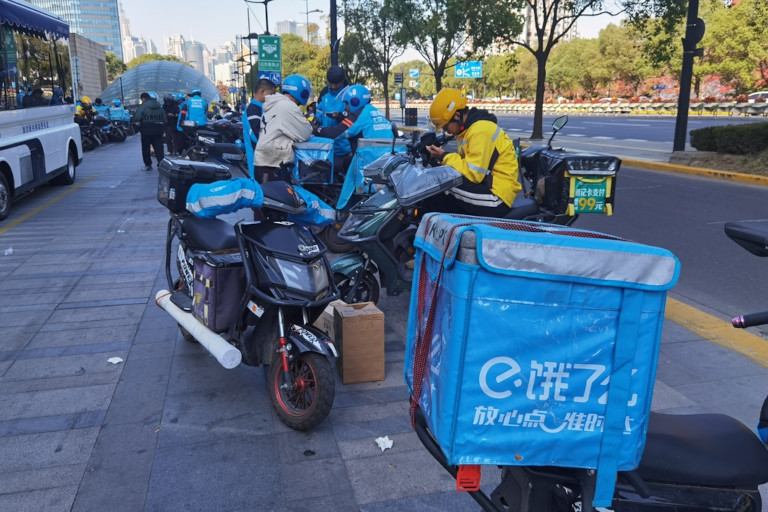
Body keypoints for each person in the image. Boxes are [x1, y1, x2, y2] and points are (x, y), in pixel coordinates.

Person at [424, 87, 521, 217]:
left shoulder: (481, 130)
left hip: (497, 197)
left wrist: (444, 156)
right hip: (486, 187)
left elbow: (473, 174)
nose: (447, 131)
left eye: (446, 126)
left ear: (457, 116)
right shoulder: (468, 131)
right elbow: (464, 166)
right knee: (438, 190)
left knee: (439, 187)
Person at [312, 85, 392, 171]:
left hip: (370, 161)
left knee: (339, 164)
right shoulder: (373, 110)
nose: (346, 107)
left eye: (347, 103)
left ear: (355, 102)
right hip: (386, 158)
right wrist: (339, 116)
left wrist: (317, 130)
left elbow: (338, 132)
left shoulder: (359, 115)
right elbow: (351, 119)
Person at [252, 75, 313, 184]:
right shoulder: (287, 106)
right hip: (272, 166)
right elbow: (305, 133)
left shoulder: (275, 104)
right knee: (277, 199)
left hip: (266, 163)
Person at [315, 65, 351, 160]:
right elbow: (318, 112)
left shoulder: (349, 93)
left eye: (336, 84)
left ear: (342, 81)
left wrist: (339, 117)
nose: (333, 86)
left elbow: (354, 118)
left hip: (344, 148)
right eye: (330, 83)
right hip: (326, 145)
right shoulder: (324, 93)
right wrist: (315, 121)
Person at [132, 91, 167, 171]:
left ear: (143, 98)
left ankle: (148, 165)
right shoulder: (159, 106)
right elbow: (165, 119)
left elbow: (137, 117)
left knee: (146, 148)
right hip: (158, 130)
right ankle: (160, 163)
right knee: (159, 148)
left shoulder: (143, 106)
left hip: (146, 130)